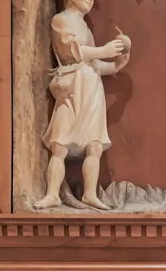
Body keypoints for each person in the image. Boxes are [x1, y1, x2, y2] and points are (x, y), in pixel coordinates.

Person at [31, 0, 132, 211]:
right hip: (73, 88)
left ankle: (90, 194)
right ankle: (52, 194)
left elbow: (92, 63)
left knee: (94, 145)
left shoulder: (85, 26)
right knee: (60, 143)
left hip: (92, 88)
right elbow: (72, 52)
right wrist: (103, 50)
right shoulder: (61, 20)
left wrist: (116, 64)